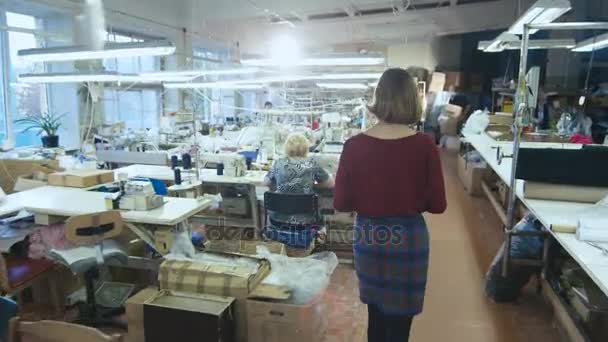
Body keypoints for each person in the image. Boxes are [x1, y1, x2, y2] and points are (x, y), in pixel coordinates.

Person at [333, 68, 447, 342]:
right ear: (412, 101)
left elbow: (341, 203)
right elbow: (438, 205)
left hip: (370, 237)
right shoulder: (425, 146)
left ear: (378, 98)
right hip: (407, 239)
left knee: (376, 315)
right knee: (399, 326)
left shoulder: (354, 146)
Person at [264, 132, 334, 225]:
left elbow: (266, 182)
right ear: (306, 147)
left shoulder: (278, 163)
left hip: (278, 220)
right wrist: (313, 185)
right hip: (306, 220)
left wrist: (281, 183)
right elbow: (330, 184)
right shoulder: (311, 164)